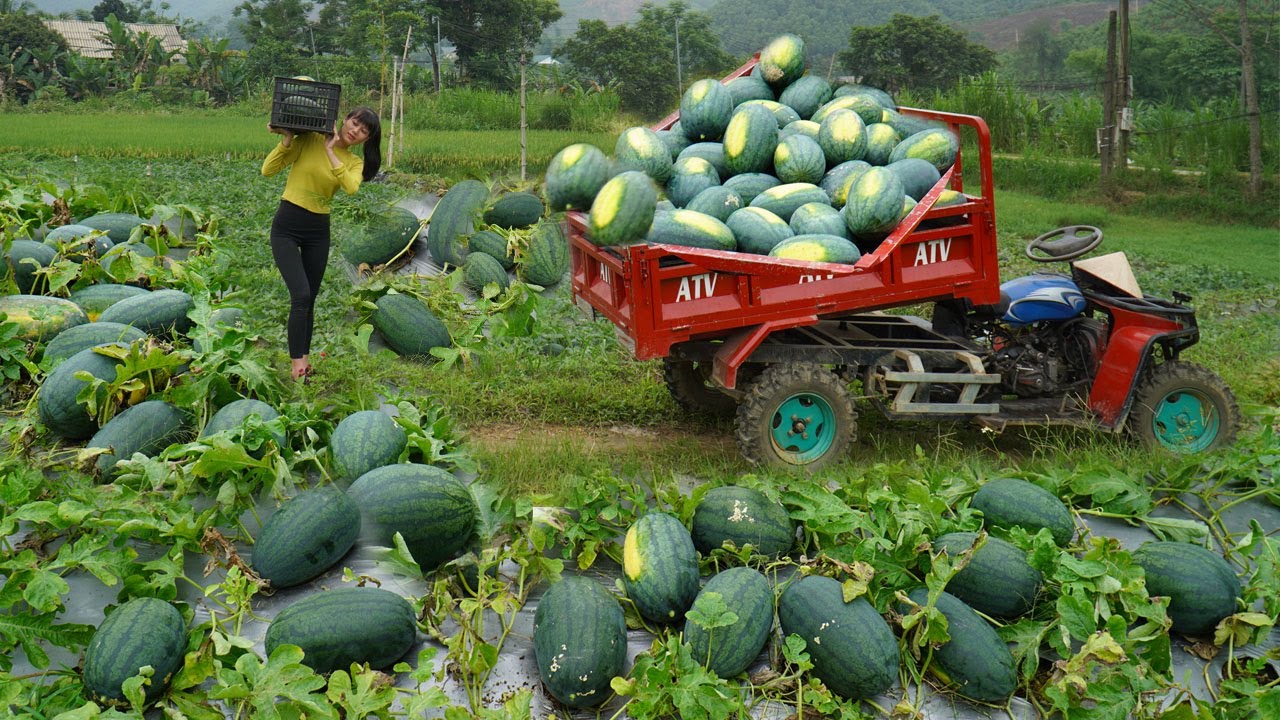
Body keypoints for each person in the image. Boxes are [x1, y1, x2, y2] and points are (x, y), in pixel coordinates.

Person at [262, 106, 382, 381]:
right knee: (301, 295)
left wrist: (331, 150)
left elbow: (351, 187)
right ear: (345, 119)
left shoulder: (353, 162)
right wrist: (287, 139)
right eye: (355, 123)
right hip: (287, 227)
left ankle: (304, 363)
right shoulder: (309, 140)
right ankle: (297, 369)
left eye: (364, 131)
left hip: (318, 231)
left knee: (310, 300)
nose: (356, 131)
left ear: (366, 139)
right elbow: (268, 170)